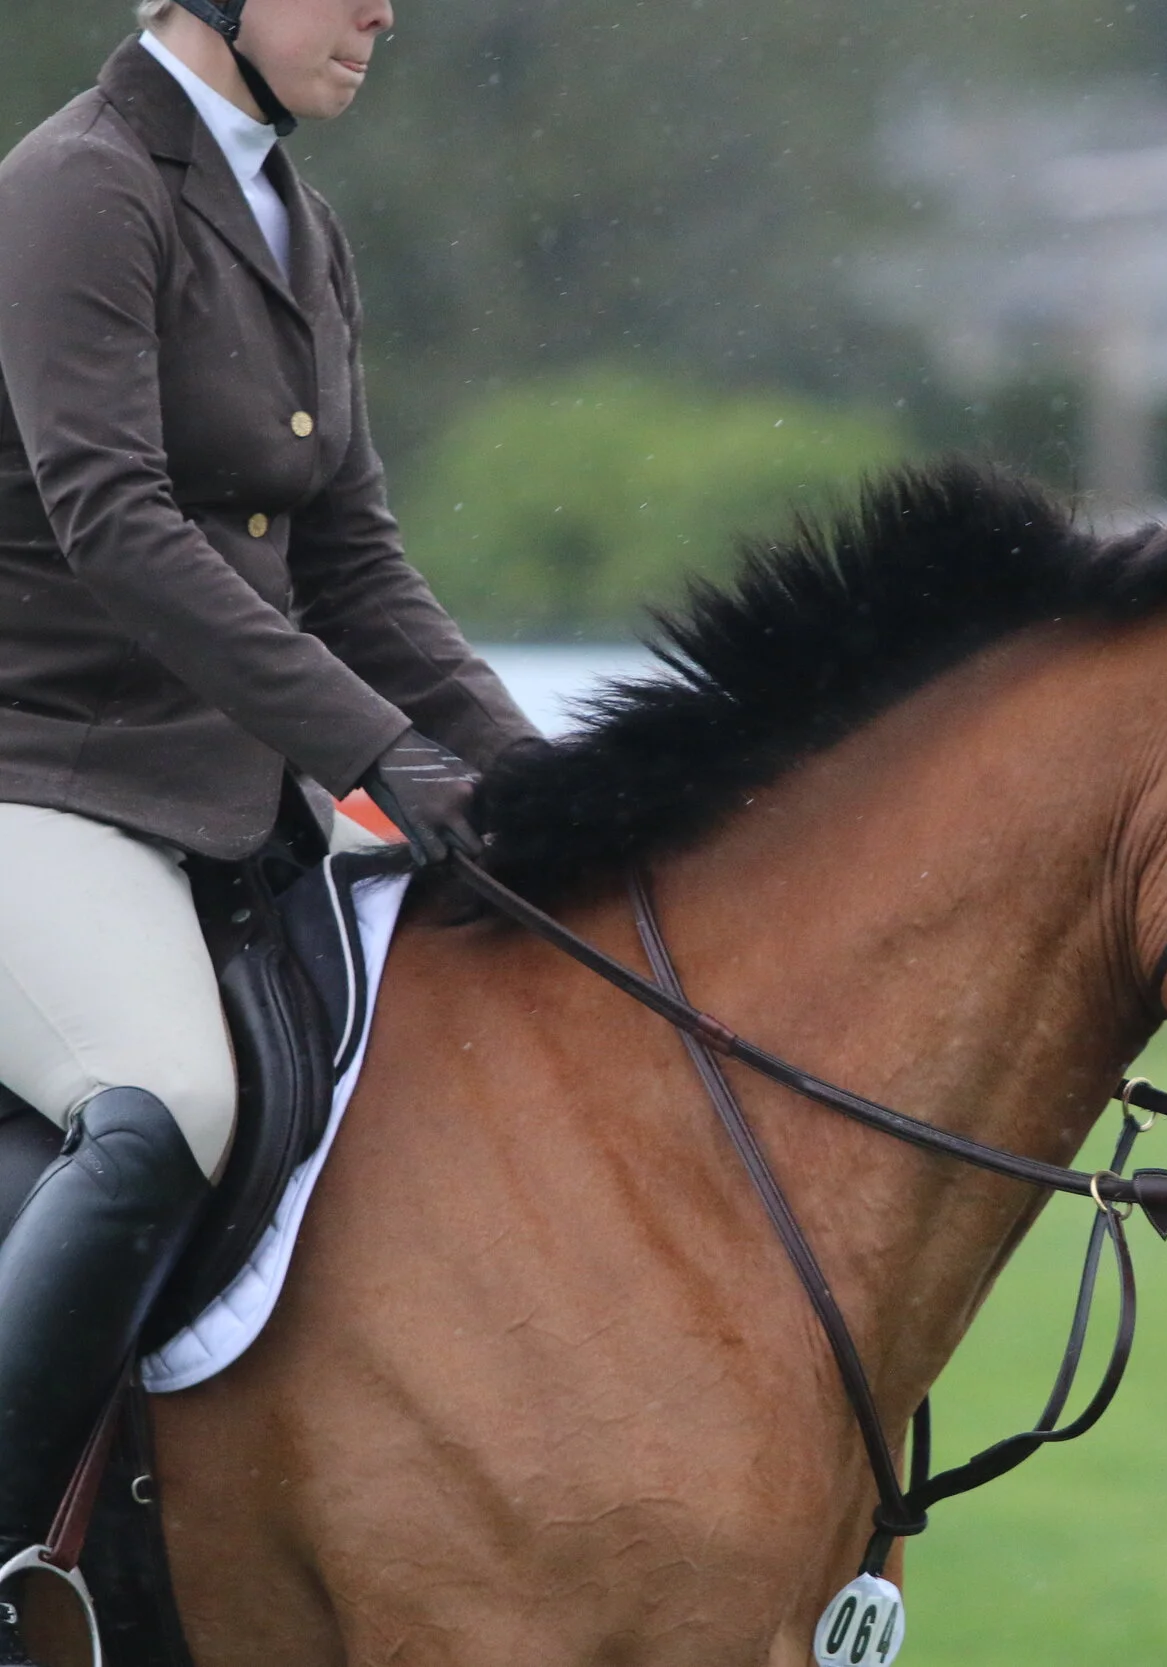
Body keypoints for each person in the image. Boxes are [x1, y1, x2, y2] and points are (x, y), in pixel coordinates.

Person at [0, 0, 539, 1649]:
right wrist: (381, 751)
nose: (383, 9)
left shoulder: (293, 214)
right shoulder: (79, 187)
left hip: (231, 807)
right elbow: (116, 524)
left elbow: (355, 557)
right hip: (46, 780)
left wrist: (532, 776)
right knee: (165, 1101)